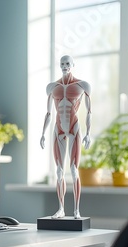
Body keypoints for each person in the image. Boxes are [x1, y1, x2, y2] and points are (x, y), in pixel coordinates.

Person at [40, 55, 91, 219]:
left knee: (74, 170)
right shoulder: (52, 87)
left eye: (67, 63)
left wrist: (88, 133)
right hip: (58, 128)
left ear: (73, 65)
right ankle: (61, 208)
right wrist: (42, 134)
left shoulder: (82, 85)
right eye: (62, 63)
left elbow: (89, 112)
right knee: (60, 171)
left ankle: (76, 210)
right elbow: (48, 113)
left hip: (74, 127)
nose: (64, 66)